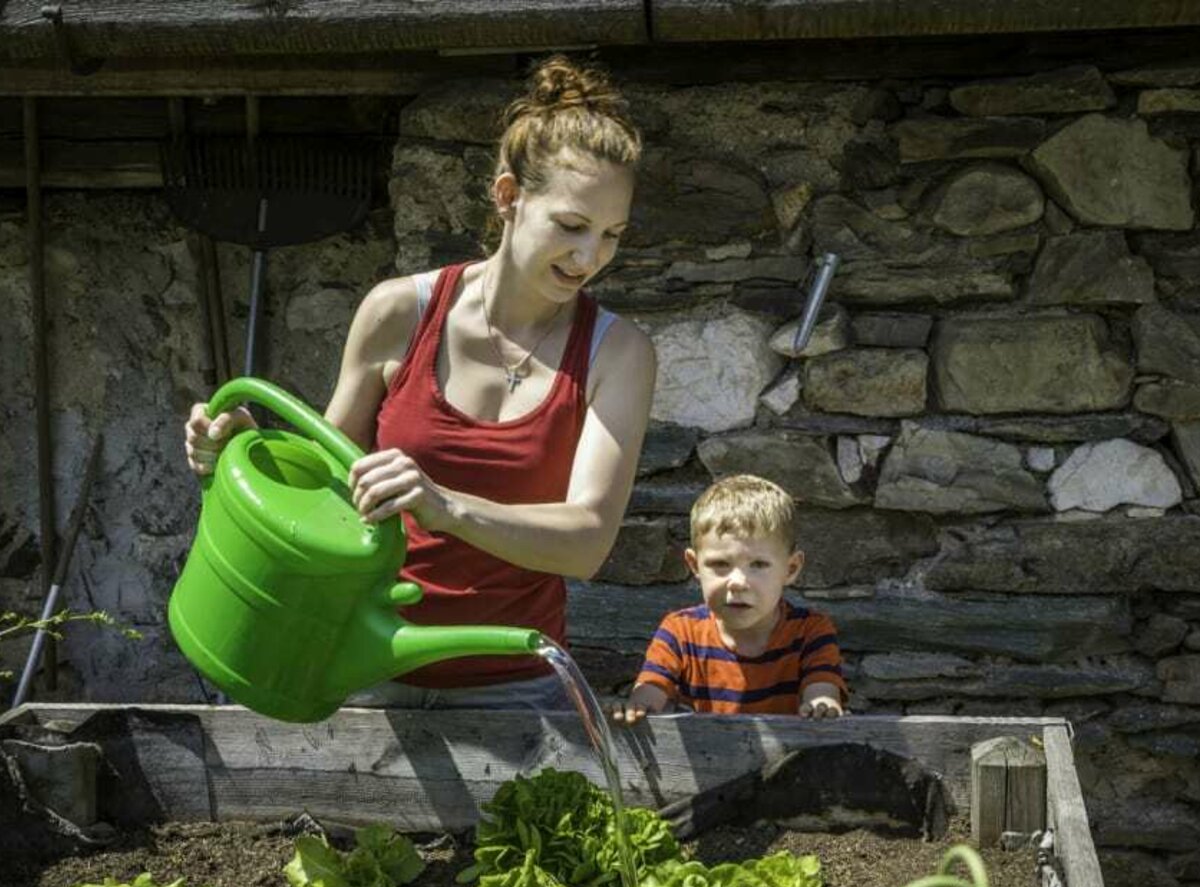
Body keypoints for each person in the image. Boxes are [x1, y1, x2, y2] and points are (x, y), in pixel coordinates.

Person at [184, 55, 656, 711]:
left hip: (517, 685)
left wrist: (445, 506)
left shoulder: (618, 353)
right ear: (508, 197)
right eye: (572, 227)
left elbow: (587, 542)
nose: (589, 259)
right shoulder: (398, 314)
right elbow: (326, 488)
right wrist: (237, 453)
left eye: (612, 236)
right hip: (361, 666)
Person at [611, 474, 848, 723]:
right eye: (720, 564)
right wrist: (636, 708)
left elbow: (822, 692)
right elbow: (649, 696)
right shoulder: (680, 632)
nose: (737, 582)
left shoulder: (810, 631)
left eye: (758, 564)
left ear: (790, 569)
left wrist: (822, 704)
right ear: (694, 565)